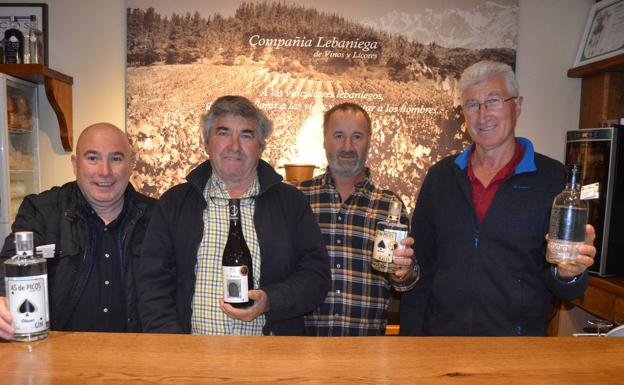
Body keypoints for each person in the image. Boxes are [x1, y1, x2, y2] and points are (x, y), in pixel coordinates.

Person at [399, 61, 597, 336]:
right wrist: (411, 345)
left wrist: (569, 273)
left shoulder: (553, 180)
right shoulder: (440, 178)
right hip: (442, 346)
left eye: (493, 101)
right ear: (463, 114)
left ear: (517, 106)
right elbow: (419, 270)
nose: (483, 116)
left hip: (516, 351)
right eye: (472, 105)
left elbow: (569, 290)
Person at [137, 95, 330, 336]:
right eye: (224, 133)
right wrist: (175, 349)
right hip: (192, 362)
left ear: (261, 146)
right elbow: (153, 285)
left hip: (269, 363)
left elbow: (315, 278)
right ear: (207, 142)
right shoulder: (174, 204)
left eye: (246, 135)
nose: (234, 146)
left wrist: (270, 301)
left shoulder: (292, 204)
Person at [0, 123, 156, 340]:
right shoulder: (41, 211)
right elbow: (7, 267)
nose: (104, 171)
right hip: (58, 356)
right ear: (75, 164)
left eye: (116, 159)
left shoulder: (157, 217)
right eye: (92, 158)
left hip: (139, 356)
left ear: (131, 164)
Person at [297, 102, 419, 336]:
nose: (347, 146)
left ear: (369, 142)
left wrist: (405, 271)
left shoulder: (389, 205)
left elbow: (405, 282)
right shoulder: (298, 199)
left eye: (357, 137)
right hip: (304, 348)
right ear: (324, 140)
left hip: (368, 351)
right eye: (339, 136)